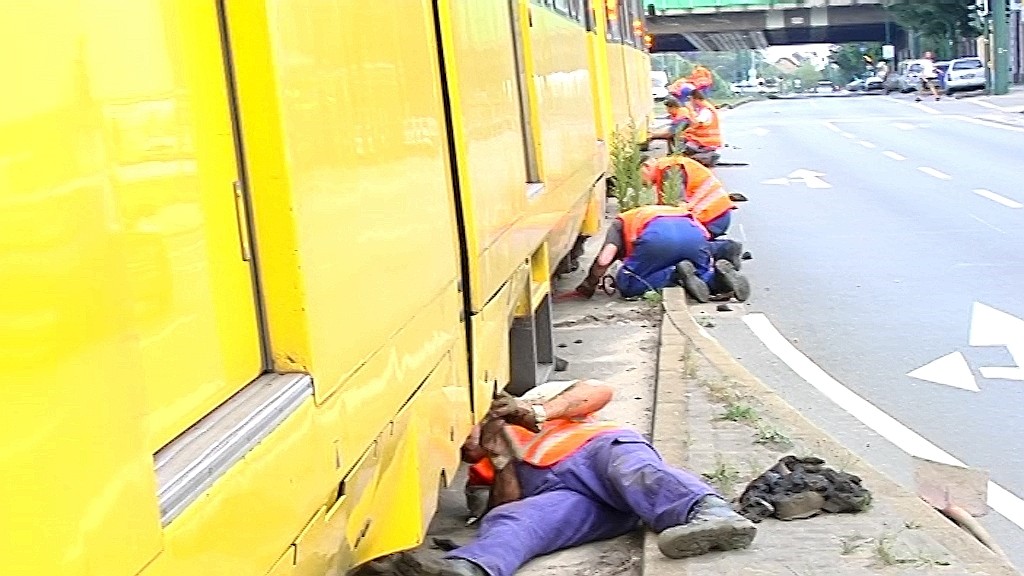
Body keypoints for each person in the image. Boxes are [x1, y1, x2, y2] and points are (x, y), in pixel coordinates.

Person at [372, 379, 758, 576]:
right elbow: (509, 509)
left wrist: (534, 411)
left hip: (596, 453)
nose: (466, 442)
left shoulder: (553, 409)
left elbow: (598, 390)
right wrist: (501, 459)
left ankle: (714, 515)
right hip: (576, 500)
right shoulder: (483, 466)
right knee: (513, 522)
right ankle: (469, 568)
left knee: (634, 471)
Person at [573, 204, 750, 303]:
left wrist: (589, 285)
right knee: (701, 273)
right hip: (694, 233)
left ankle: (675, 274)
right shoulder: (664, 210)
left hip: (656, 238)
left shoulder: (621, 222)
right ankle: (719, 279)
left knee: (628, 285)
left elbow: (604, 260)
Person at [640, 155, 735, 238]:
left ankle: (723, 248)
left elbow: (678, 207)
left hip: (713, 219)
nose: (641, 183)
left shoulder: (670, 169)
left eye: (638, 176)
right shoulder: (665, 169)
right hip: (715, 215)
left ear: (646, 167)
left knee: (675, 240)